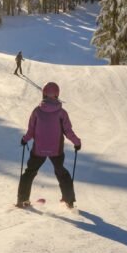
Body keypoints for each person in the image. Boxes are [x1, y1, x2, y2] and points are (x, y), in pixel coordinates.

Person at [17, 81, 81, 209]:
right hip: (56, 151)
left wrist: (25, 139)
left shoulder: (37, 111)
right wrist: (77, 142)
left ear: (44, 94)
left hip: (38, 150)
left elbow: (31, 130)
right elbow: (68, 131)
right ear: (57, 95)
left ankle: (22, 200)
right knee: (61, 173)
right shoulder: (62, 113)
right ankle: (69, 200)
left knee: (29, 172)